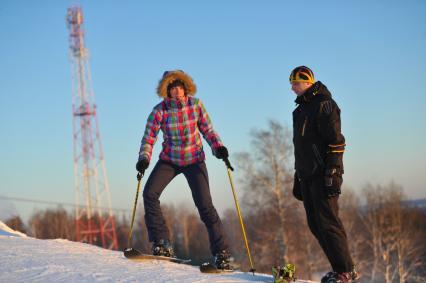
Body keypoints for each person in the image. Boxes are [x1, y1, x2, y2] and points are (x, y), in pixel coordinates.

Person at [136, 70, 231, 270]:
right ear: (166, 91)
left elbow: (208, 130)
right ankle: (162, 243)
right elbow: (148, 138)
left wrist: (218, 148)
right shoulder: (159, 111)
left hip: (194, 159)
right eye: (173, 88)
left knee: (205, 205)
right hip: (169, 159)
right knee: (149, 193)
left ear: (185, 88)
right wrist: (144, 158)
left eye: (180, 87)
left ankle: (222, 253)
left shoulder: (195, 105)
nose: (177, 91)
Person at [289, 66, 358, 283]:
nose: (292, 88)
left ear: (307, 82)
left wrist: (333, 173)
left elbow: (336, 142)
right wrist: (297, 176)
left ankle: (346, 272)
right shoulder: (300, 111)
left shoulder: (324, 105)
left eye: (295, 83)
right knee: (315, 224)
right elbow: (300, 147)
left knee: (329, 223)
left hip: (323, 174)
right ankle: (339, 270)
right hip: (307, 175)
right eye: (291, 83)